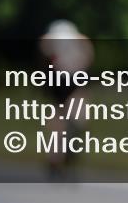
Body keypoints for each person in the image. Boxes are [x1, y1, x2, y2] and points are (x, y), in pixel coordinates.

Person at [39, 19, 94, 181]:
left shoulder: (81, 45)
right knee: (58, 126)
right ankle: (55, 161)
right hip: (58, 87)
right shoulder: (47, 48)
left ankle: (69, 156)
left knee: (78, 122)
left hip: (75, 86)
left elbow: (87, 62)